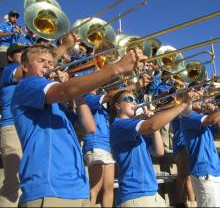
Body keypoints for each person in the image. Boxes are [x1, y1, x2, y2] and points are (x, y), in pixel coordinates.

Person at [11, 36, 146, 207]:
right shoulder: (27, 85)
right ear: (25, 66)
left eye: (51, 63)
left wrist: (78, 94)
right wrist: (117, 68)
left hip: (77, 189)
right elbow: (65, 91)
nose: (48, 66)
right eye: (41, 61)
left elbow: (89, 128)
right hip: (49, 188)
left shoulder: (58, 106)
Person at [109, 89, 192, 207]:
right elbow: (152, 125)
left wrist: (153, 126)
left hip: (150, 192)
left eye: (136, 100)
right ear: (117, 105)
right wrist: (183, 104)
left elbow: (159, 151)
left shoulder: (134, 131)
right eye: (129, 99)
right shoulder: (118, 124)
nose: (135, 103)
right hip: (135, 194)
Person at [0, 43, 28, 206]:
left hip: (27, 129)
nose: (25, 54)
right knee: (13, 187)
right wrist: (63, 47)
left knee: (27, 183)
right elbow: (27, 71)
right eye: (21, 52)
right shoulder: (9, 70)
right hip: (12, 128)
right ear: (11, 57)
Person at [180, 96, 220, 207]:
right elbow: (212, 120)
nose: (200, 98)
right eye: (195, 97)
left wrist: (216, 111)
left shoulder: (200, 117)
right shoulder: (188, 116)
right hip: (205, 172)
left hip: (213, 171)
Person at [171, 116, 196, 207]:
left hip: (188, 141)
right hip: (181, 142)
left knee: (188, 176)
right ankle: (179, 202)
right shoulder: (179, 108)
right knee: (182, 175)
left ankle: (191, 202)